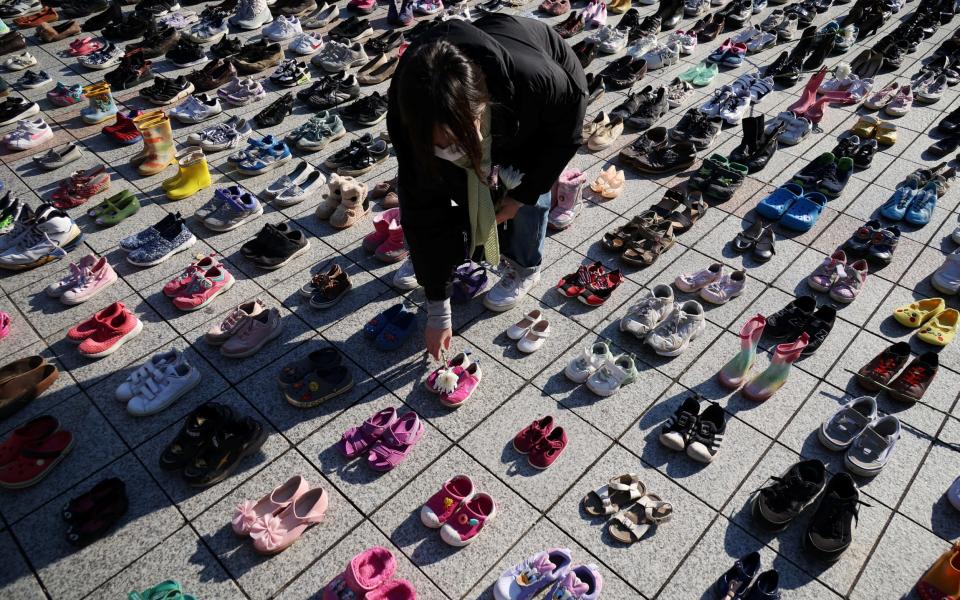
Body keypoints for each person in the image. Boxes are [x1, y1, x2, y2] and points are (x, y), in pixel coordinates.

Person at [387, 13, 588, 360]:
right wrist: (438, 306)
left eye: (469, 131)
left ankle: (526, 264)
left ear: (483, 103)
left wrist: (522, 195)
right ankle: (452, 259)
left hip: (546, 88)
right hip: (496, 93)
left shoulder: (536, 81)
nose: (469, 144)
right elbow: (422, 211)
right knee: (463, 187)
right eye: (446, 143)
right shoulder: (408, 118)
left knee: (523, 187)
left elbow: (565, 135)